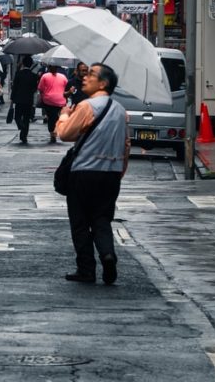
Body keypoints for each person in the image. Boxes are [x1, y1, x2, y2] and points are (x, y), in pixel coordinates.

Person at [56, 62, 130, 285]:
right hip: (111, 174)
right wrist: (120, 171)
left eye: (91, 75)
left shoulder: (87, 106)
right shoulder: (120, 111)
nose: (85, 78)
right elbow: (126, 145)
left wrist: (64, 115)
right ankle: (107, 253)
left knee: (79, 222)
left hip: (84, 172)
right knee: (101, 219)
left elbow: (65, 134)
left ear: (103, 83)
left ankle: (86, 269)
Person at [11, 55, 39, 144]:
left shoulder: (18, 74)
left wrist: (12, 98)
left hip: (19, 99)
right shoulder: (34, 76)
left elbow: (14, 87)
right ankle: (24, 136)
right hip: (28, 100)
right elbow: (35, 88)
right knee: (26, 118)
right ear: (31, 65)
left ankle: (21, 126)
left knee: (17, 116)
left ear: (23, 63)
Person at [38, 63, 69, 143]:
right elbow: (67, 87)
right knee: (55, 117)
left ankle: (52, 133)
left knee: (51, 118)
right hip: (60, 100)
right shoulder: (63, 76)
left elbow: (40, 88)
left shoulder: (45, 76)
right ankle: (54, 130)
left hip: (48, 100)